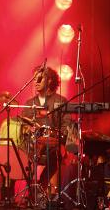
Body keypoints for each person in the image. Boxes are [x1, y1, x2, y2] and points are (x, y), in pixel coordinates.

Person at [22, 65, 72, 196]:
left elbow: (66, 126)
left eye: (39, 79)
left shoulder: (61, 101)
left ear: (49, 80)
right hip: (33, 146)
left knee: (52, 151)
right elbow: (23, 126)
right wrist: (27, 129)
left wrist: (56, 136)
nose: (35, 83)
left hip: (53, 147)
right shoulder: (29, 103)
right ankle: (31, 190)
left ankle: (47, 191)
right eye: (34, 79)